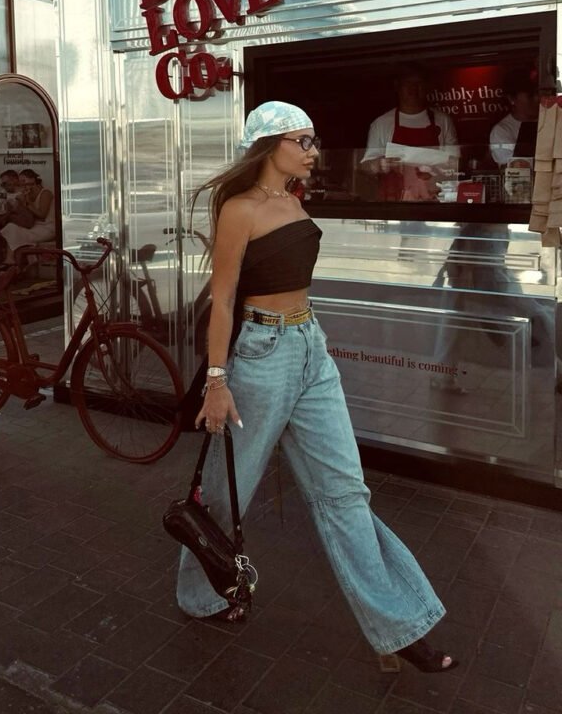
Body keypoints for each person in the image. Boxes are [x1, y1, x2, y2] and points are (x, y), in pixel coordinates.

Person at [176, 100, 458, 674]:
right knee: (229, 490)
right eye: (302, 141)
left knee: (345, 492)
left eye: (313, 140)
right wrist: (215, 381)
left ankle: (397, 627)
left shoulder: (291, 199)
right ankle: (200, 594)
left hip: (311, 347)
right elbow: (224, 299)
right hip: (259, 355)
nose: (313, 150)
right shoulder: (240, 208)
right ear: (269, 145)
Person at [360, 63, 459, 201]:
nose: (413, 89)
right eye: (408, 84)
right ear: (397, 86)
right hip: (394, 202)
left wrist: (435, 170)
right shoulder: (381, 124)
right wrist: (380, 165)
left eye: (418, 83)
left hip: (433, 200)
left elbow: (455, 164)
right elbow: (365, 167)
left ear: (426, 87)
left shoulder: (443, 121)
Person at [0, 168, 55, 266]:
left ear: (33, 180)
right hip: (34, 226)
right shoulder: (27, 194)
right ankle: (12, 260)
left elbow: (42, 215)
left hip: (47, 227)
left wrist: (27, 203)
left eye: (24, 181)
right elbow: (27, 218)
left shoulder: (45, 193)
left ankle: (12, 260)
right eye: (21, 183)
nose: (23, 185)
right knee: (11, 227)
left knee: (16, 232)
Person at [489, 68, 539, 167]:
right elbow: (514, 171)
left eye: (538, 93)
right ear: (512, 98)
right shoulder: (501, 131)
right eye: (530, 95)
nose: (537, 99)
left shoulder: (551, 120)